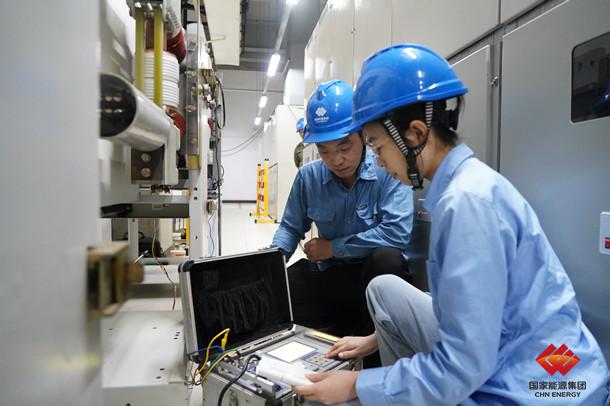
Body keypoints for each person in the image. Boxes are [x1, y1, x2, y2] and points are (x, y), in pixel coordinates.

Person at [293, 44, 610, 405]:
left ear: (413, 135)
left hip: (543, 385)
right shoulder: (466, 186)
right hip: (524, 348)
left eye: (378, 148)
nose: (378, 163)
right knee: (385, 289)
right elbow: (465, 302)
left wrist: (356, 386)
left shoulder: (466, 204)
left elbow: (462, 366)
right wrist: (373, 341)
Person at [271, 79, 414, 339]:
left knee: (387, 259)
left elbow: (396, 234)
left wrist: (331, 247)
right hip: (331, 276)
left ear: (363, 135)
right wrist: (268, 263)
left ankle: (373, 347)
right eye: (324, 151)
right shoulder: (309, 178)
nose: (336, 160)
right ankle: (345, 330)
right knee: (275, 296)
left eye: (345, 147)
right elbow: (291, 227)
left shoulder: (389, 170)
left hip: (373, 278)